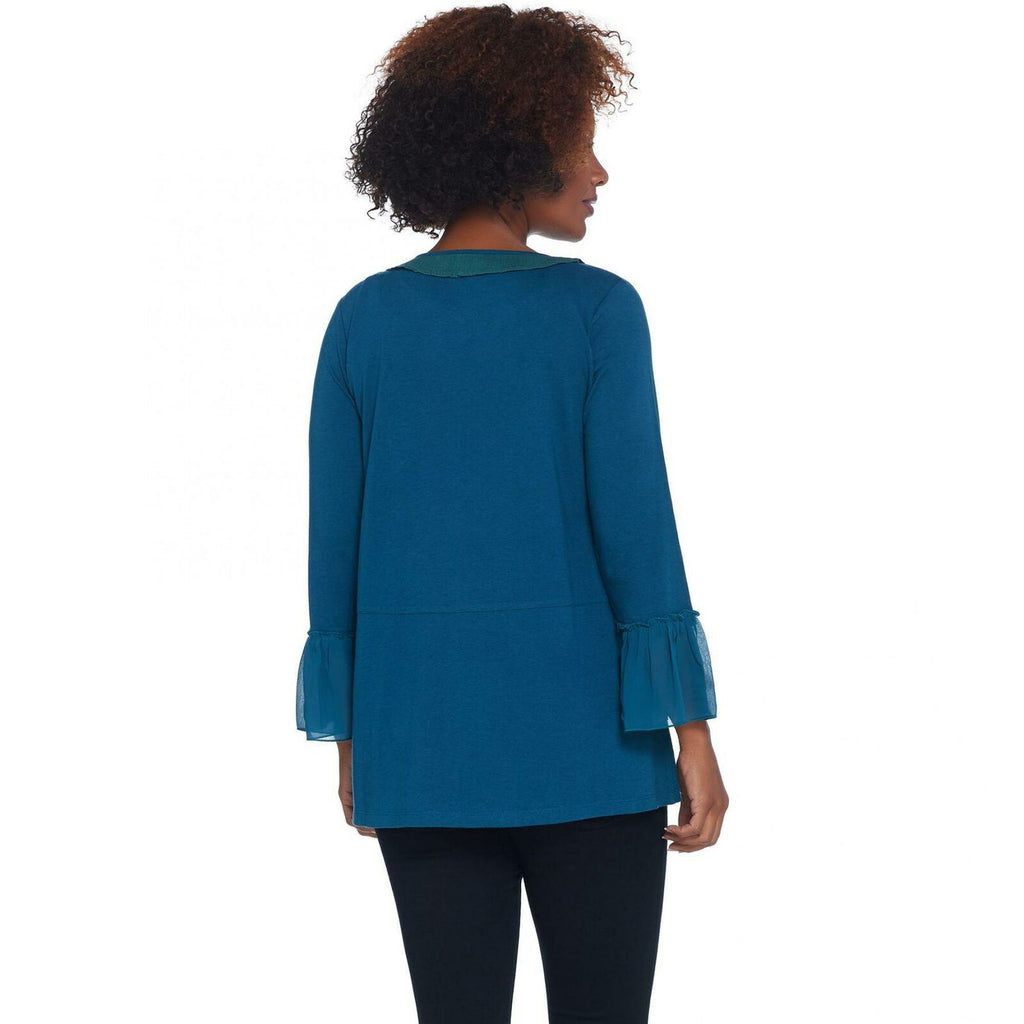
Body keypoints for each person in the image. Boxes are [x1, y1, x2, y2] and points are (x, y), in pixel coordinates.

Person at [294, 6, 729, 1022]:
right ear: (516, 146)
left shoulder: (363, 320)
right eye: (582, 141)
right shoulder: (597, 311)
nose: (599, 171)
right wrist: (693, 730)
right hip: (596, 747)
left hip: (420, 744)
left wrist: (356, 737)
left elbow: (334, 547)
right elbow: (639, 532)